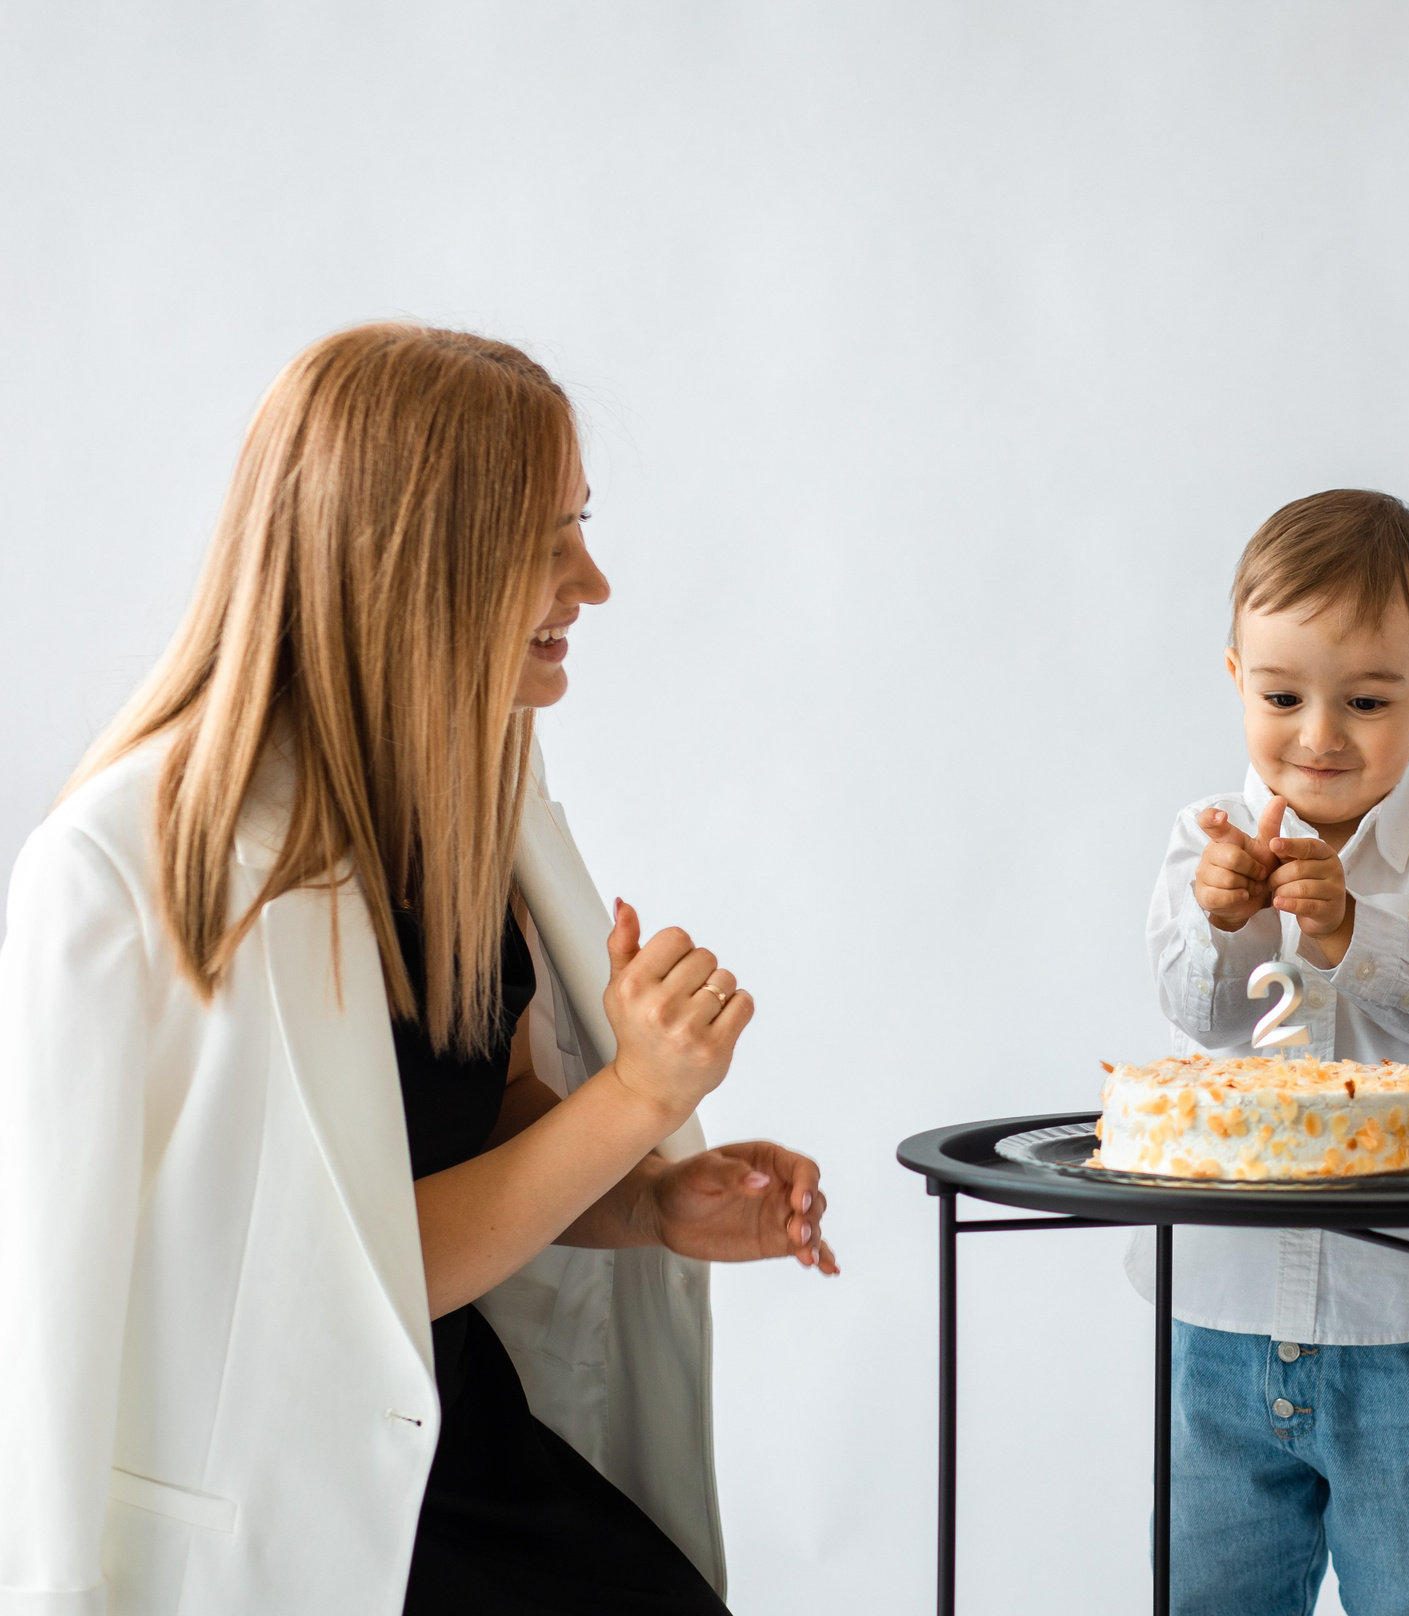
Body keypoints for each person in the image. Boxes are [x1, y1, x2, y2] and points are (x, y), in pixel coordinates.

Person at [0, 323, 839, 1616]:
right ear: (415, 561)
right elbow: (345, 1273)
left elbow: (474, 1135)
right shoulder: (127, 871)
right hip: (287, 1518)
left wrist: (650, 1202)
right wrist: (635, 1104)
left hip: (457, 1462)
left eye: (583, 524)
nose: (594, 581)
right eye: (548, 538)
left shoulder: (468, 800)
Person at [1139, 490, 1409, 1615]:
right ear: (1234, 679)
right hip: (1220, 1309)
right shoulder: (1202, 836)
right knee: (1210, 1595)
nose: (1318, 735)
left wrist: (1352, 930)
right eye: (1281, 695)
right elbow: (1191, 1006)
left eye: (1364, 699)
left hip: (1405, 1316)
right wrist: (1228, 920)